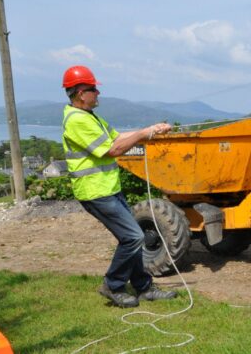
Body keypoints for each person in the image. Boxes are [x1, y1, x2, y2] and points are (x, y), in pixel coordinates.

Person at [61, 65, 178, 308]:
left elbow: (116, 138)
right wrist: (144, 133)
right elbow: (114, 150)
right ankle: (112, 285)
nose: (98, 94)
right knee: (134, 237)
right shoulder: (77, 121)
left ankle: (144, 288)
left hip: (108, 189)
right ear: (81, 93)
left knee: (131, 238)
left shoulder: (90, 117)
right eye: (94, 89)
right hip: (95, 192)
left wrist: (152, 130)